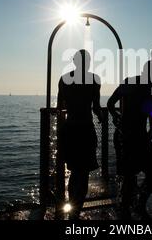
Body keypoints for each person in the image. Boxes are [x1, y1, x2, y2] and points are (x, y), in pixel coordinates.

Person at [107, 62, 152, 219]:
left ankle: (136, 205)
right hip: (128, 136)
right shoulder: (133, 83)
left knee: (148, 173)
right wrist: (116, 117)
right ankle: (128, 208)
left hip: (137, 135)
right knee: (132, 175)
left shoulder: (143, 85)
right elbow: (110, 103)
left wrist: (151, 128)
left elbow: (151, 109)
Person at [57, 49, 102, 219]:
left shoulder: (65, 79)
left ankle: (72, 210)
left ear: (74, 62)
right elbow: (96, 107)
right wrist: (103, 118)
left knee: (75, 171)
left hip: (70, 129)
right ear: (88, 62)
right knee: (82, 174)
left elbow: (60, 105)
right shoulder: (94, 79)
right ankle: (76, 211)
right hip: (85, 129)